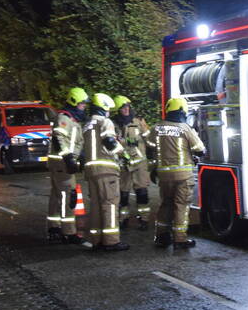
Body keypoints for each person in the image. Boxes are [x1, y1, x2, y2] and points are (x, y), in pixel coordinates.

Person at [147, 97, 205, 250]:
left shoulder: (157, 128)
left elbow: (150, 147)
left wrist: (153, 168)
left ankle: (161, 236)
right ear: (182, 110)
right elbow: (200, 148)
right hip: (183, 176)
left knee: (166, 204)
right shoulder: (185, 128)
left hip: (164, 176)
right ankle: (180, 239)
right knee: (181, 205)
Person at [81, 93, 129, 251]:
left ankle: (97, 240)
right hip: (106, 170)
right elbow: (109, 141)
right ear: (103, 107)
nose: (109, 112)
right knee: (109, 204)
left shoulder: (87, 124)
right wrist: (121, 151)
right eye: (108, 109)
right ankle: (111, 241)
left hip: (91, 170)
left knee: (96, 206)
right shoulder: (105, 121)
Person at [47, 87, 92, 248]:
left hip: (60, 162)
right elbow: (58, 137)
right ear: (74, 102)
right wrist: (68, 158)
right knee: (68, 196)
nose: (84, 107)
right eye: (81, 104)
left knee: (56, 196)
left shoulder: (72, 120)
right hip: (62, 163)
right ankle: (69, 232)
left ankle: (54, 228)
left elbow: (74, 142)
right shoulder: (64, 118)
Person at [112, 95, 151, 230]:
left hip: (140, 164)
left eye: (128, 106)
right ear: (118, 110)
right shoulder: (114, 124)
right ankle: (123, 219)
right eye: (123, 107)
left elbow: (149, 139)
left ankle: (144, 219)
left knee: (142, 192)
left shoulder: (139, 121)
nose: (126, 109)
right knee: (123, 194)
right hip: (124, 163)